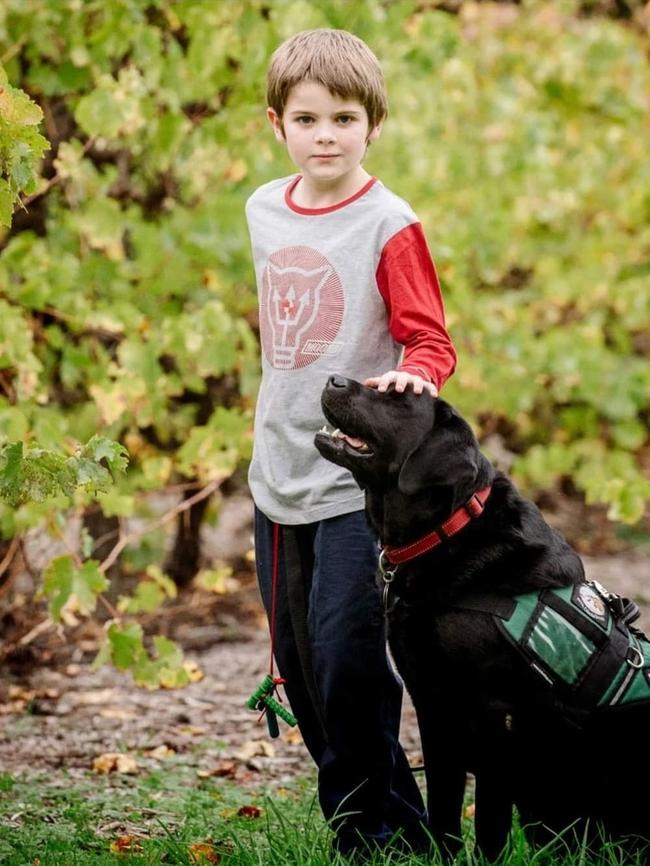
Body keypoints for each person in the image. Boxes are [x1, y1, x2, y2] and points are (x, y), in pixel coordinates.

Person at [245, 28, 457, 856]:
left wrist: (415, 380)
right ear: (277, 125)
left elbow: (430, 340)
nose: (325, 135)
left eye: (343, 117)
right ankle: (375, 823)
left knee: (345, 659)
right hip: (276, 472)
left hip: (354, 483)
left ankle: (378, 835)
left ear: (374, 124)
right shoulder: (263, 206)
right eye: (307, 119)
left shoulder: (388, 222)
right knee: (299, 668)